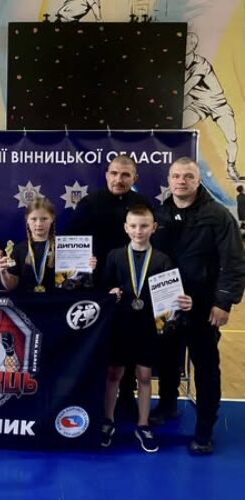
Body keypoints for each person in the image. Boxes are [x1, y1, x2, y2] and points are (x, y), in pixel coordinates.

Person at [151, 157, 245, 454]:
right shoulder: (160, 214)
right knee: (167, 359)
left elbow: (234, 261)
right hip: (167, 304)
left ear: (198, 180)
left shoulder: (218, 215)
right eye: (176, 176)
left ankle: (205, 428)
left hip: (204, 307)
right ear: (169, 180)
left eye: (188, 176)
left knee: (205, 367)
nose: (181, 181)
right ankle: (167, 405)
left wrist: (223, 302)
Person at [100, 206, 193, 453]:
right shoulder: (115, 256)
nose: (138, 231)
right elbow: (105, 286)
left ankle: (143, 424)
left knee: (144, 375)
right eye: (133, 226)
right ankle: (107, 420)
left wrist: (183, 302)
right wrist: (110, 292)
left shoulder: (163, 259)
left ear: (154, 228)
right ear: (126, 228)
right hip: (120, 325)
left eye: (144, 226)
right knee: (113, 374)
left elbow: (171, 295)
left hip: (148, 327)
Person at [66, 154, 150, 415]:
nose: (119, 179)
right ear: (106, 175)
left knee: (129, 342)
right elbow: (70, 242)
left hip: (133, 286)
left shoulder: (142, 204)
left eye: (126, 175)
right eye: (114, 173)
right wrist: (82, 265)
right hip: (96, 287)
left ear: (135, 178)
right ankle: (92, 395)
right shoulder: (90, 203)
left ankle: (126, 394)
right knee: (97, 343)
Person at [183, 33, 242, 181]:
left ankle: (231, 167)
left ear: (193, 47)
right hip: (199, 104)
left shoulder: (201, 64)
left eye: (187, 44)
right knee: (178, 127)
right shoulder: (178, 63)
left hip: (218, 104)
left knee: (231, 138)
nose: (183, 46)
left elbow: (185, 88)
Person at [0, 197, 57, 292]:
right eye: (34, 219)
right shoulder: (18, 250)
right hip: (25, 301)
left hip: (57, 300)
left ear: (52, 219)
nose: (39, 224)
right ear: (27, 220)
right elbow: (11, 286)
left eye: (44, 219)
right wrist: (3, 272)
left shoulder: (62, 248)